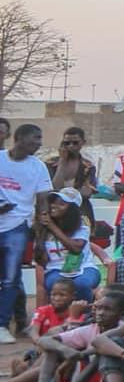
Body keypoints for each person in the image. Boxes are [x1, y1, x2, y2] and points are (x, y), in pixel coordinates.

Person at [0, 123, 52, 342]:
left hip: (17, 226)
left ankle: (2, 325)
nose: (39, 143)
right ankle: (19, 319)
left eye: (40, 138)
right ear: (19, 138)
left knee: (11, 278)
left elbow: (42, 204)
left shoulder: (38, 167)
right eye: (35, 137)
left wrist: (40, 239)